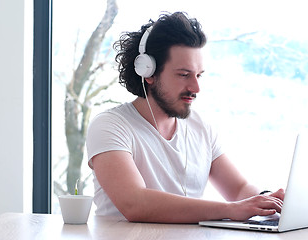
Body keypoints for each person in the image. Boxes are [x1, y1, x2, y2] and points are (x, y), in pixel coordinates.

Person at [86, 11, 285, 223]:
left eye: (198, 75)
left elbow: (239, 189)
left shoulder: (201, 127)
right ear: (148, 72)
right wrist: (230, 210)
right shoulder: (110, 126)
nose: (196, 87)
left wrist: (266, 201)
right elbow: (135, 203)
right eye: (184, 75)